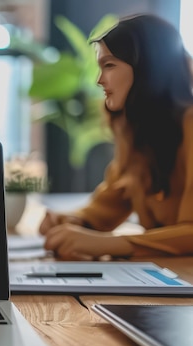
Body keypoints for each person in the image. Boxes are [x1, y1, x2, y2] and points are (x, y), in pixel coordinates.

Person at [39, 14, 193, 260]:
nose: (99, 80)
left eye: (109, 66)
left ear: (147, 68)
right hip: (167, 281)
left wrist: (109, 244)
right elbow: (109, 203)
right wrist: (75, 220)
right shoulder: (135, 130)